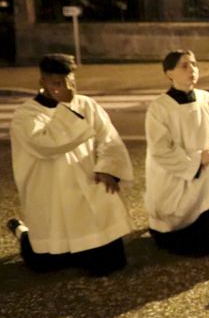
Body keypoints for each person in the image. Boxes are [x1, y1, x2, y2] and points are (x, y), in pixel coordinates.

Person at [7, 54, 134, 276]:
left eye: (71, 81)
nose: (66, 88)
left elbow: (108, 138)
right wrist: (65, 106)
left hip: (88, 189)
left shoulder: (86, 104)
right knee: (44, 264)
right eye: (57, 83)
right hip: (53, 198)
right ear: (42, 82)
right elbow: (46, 144)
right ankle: (23, 233)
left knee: (111, 263)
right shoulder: (25, 115)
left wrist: (107, 167)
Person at [145, 50, 209, 256]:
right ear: (169, 73)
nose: (192, 70)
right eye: (184, 66)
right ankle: (199, 241)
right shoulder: (159, 108)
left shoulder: (207, 99)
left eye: (194, 65)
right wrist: (197, 161)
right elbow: (161, 149)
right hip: (179, 174)